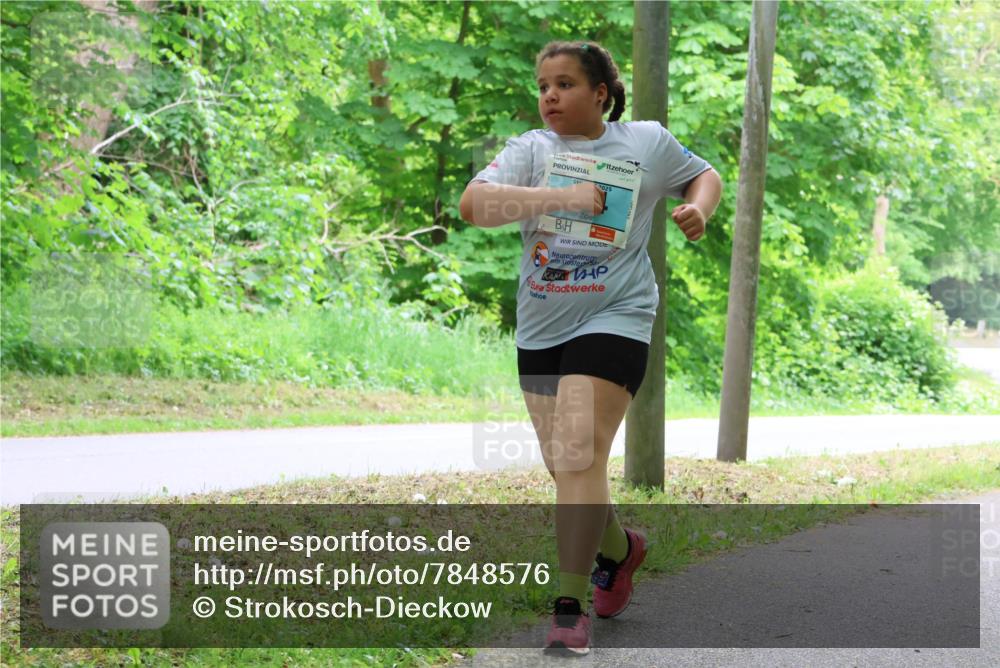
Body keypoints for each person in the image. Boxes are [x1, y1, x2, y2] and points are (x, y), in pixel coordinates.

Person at [459, 40, 723, 656]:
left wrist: (698, 210)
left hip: (617, 313)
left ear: (601, 93)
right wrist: (558, 196)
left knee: (577, 455)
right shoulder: (530, 151)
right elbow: (474, 206)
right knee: (567, 468)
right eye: (544, 85)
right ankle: (619, 550)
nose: (550, 95)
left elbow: (702, 175)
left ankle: (569, 608)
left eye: (566, 84)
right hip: (542, 324)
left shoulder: (645, 143)